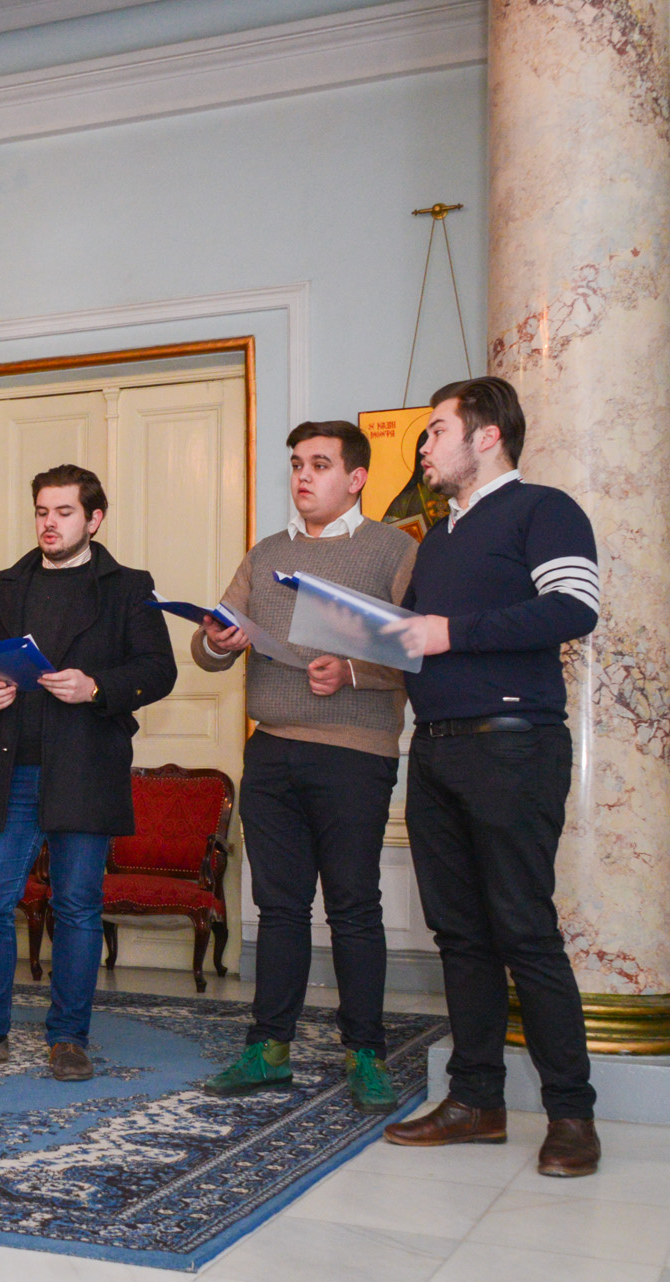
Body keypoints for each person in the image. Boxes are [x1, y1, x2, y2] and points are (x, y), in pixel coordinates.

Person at [379, 377, 602, 1177]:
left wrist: (448, 631)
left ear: (486, 437)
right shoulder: (436, 541)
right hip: (434, 749)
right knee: (460, 935)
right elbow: (424, 642)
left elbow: (574, 607)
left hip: (514, 745)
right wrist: (369, 649)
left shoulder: (545, 509)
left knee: (524, 931)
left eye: (436, 430)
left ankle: (572, 1115)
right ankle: (476, 1100)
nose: (424, 445)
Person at [0, 465, 176, 1079]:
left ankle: (68, 1039)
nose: (49, 524)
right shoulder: (6, 584)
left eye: (63, 512)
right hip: (10, 770)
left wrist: (97, 686)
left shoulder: (129, 586)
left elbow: (159, 670)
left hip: (85, 768)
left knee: (77, 909)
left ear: (94, 519)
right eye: (41, 511)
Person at [193, 422, 417, 1111]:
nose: (303, 476)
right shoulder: (266, 554)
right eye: (296, 464)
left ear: (356, 478)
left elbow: (418, 649)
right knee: (278, 906)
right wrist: (216, 642)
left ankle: (366, 1054)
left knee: (352, 904)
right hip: (273, 748)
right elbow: (209, 653)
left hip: (354, 751)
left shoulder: (394, 549)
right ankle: (269, 1048)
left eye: (320, 464)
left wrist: (353, 669)